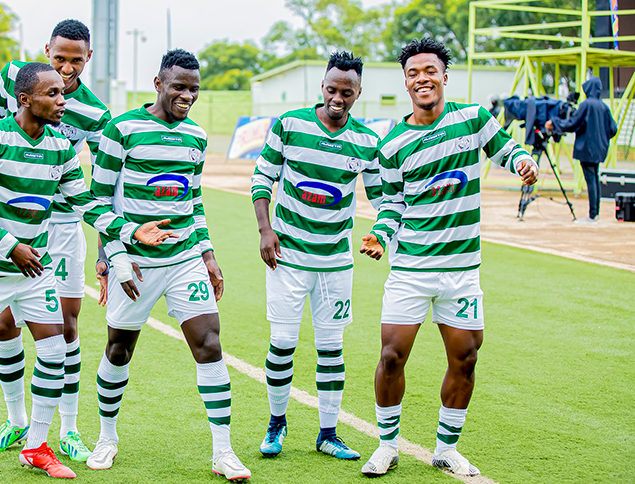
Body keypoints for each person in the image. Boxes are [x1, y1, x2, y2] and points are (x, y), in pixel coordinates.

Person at [0, 62, 175, 478]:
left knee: (54, 352)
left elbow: (88, 204)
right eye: (53, 94)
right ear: (25, 99)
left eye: (63, 94)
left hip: (36, 271)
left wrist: (132, 229)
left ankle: (37, 446)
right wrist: (11, 248)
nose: (63, 101)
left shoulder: (62, 149)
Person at [358, 38, 539, 477]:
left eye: (430, 71)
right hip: (411, 270)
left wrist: (521, 162)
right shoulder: (392, 144)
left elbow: (506, 148)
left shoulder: (473, 118)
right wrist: (380, 236)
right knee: (391, 356)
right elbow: (390, 205)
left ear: (444, 76)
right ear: (405, 81)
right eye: (414, 73)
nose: (423, 78)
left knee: (466, 357)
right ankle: (386, 445)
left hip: (462, 272)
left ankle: (446, 448)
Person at [0, 20, 111, 460]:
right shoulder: (12, 89)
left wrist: (118, 241)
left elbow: (95, 190)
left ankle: (57, 434)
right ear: (45, 53)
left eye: (75, 61)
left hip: (60, 229)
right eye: (58, 61)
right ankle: (6, 425)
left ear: (88, 58)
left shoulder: (87, 119)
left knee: (63, 335)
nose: (65, 78)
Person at [86, 49, 251, 481]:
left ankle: (223, 452)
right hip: (135, 263)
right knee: (119, 349)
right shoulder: (121, 129)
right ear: (158, 84)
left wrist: (208, 256)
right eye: (179, 86)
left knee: (210, 344)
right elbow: (96, 200)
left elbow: (193, 202)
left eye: (194, 88)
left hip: (183, 260)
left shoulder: (197, 136)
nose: (187, 95)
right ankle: (107, 437)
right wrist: (114, 252)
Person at [250, 51, 381, 460]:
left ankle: (328, 433)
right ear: (321, 87)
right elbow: (262, 178)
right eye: (331, 89)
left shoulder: (367, 142)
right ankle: (276, 424)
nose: (337, 98)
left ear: (359, 93)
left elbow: (381, 196)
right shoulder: (289, 125)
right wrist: (265, 230)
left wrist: (380, 231)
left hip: (335, 263)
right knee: (283, 342)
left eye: (347, 92)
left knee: (331, 348)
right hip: (287, 256)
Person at [545, 76, 618, 224]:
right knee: (595, 179)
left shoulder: (586, 105)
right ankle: (595, 214)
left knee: (590, 180)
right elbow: (613, 128)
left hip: (586, 148)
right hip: (599, 149)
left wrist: (555, 123)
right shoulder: (604, 106)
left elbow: (572, 123)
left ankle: (592, 216)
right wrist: (602, 138)